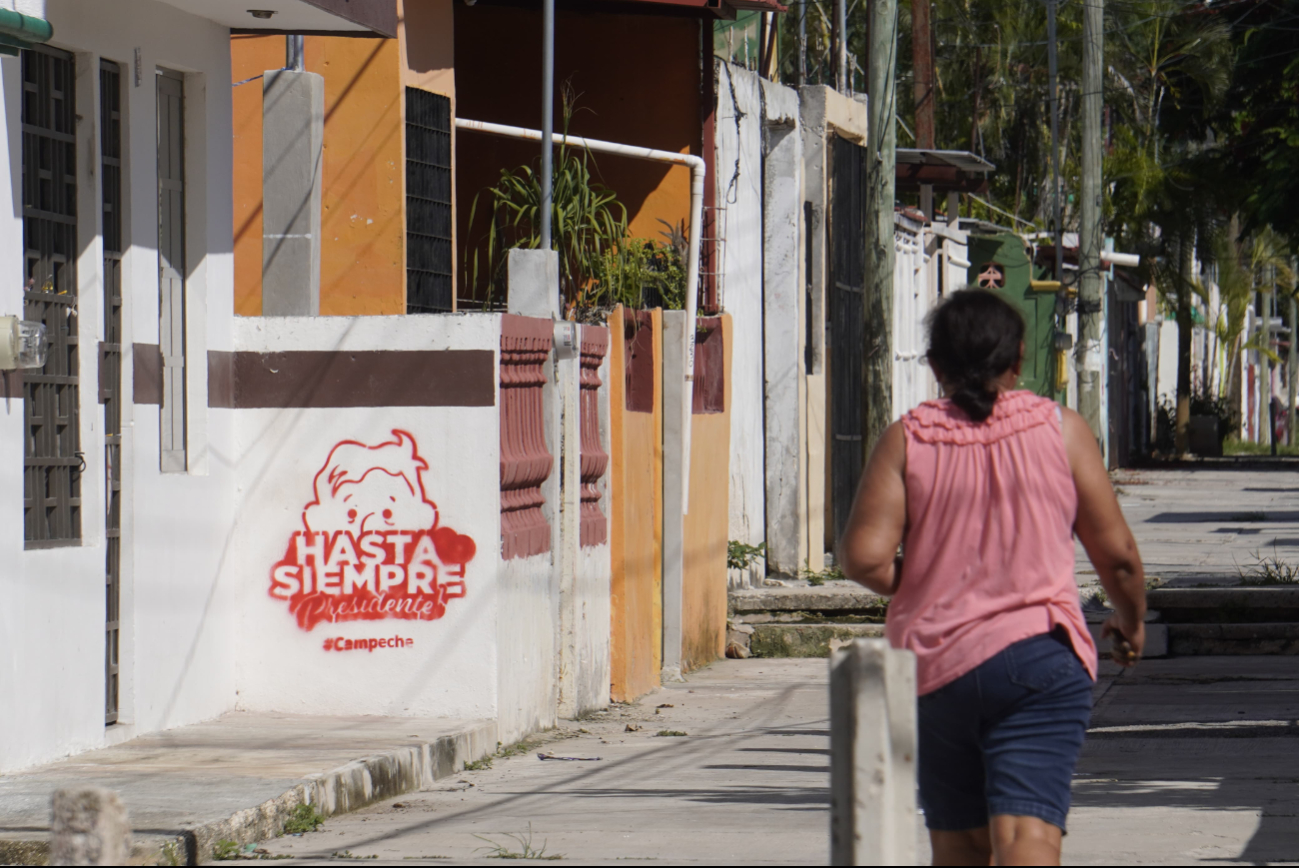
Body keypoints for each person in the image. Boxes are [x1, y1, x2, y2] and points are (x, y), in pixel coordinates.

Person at [838, 288, 1146, 867]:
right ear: (1018, 359)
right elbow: (1120, 557)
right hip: (1041, 660)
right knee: (1026, 836)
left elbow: (865, 559)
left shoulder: (909, 438)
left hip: (935, 669)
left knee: (959, 844)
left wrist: (929, 579)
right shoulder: (1063, 430)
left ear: (934, 366)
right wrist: (1129, 623)